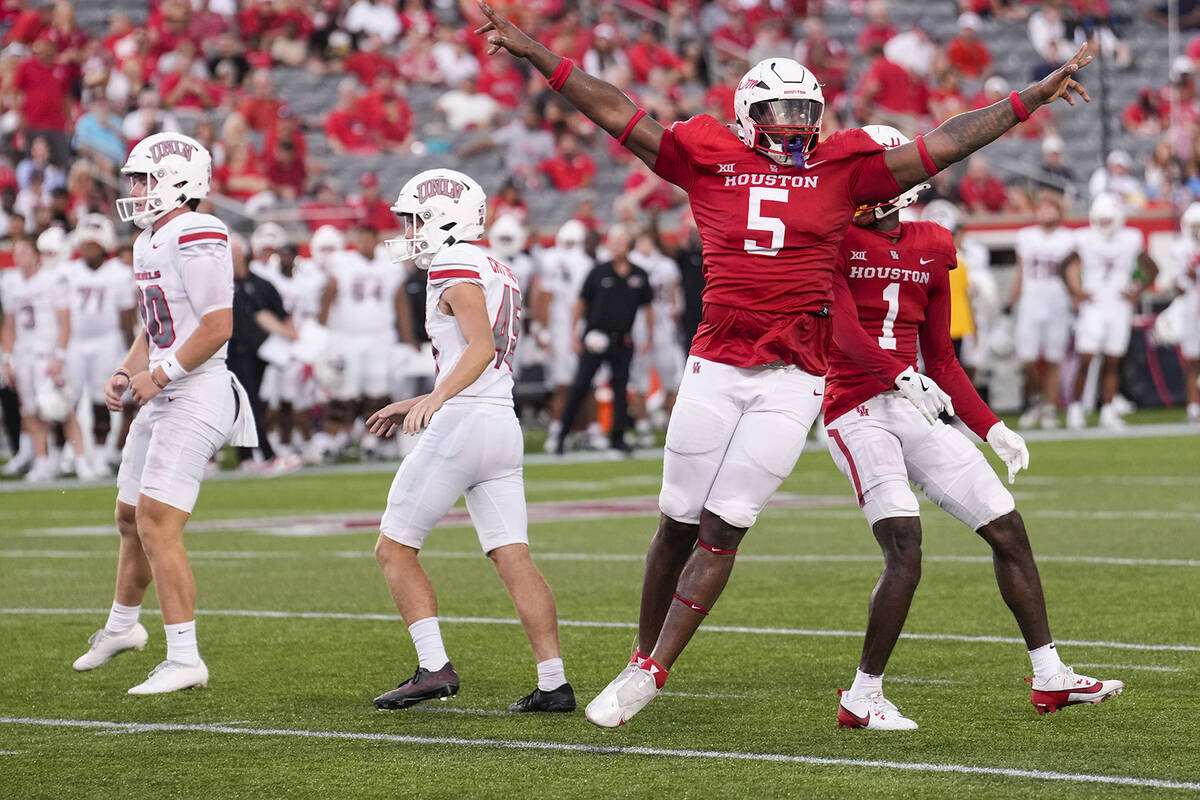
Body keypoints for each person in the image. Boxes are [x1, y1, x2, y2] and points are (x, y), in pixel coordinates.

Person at [476, 0, 1094, 727]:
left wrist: (1027, 100)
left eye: (806, 108)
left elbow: (943, 144)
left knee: (727, 523)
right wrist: (538, 55)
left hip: (795, 379)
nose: (796, 122)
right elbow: (618, 112)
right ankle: (641, 649)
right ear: (747, 113)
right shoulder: (707, 157)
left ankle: (652, 668)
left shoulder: (844, 171)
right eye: (780, 109)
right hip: (715, 366)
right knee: (677, 520)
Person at [823, 125, 1123, 730]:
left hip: (918, 404)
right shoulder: (830, 241)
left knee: (1008, 528)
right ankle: (862, 695)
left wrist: (991, 427)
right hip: (855, 407)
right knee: (905, 546)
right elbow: (844, 334)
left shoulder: (932, 243)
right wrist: (899, 378)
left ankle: (1050, 675)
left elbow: (943, 359)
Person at [367, 168, 573, 713]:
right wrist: (415, 400)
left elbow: (477, 348)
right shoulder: (495, 267)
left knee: (393, 548)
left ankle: (433, 667)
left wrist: (434, 401)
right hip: (499, 423)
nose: (409, 230)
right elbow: (478, 358)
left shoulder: (454, 262)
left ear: (442, 218)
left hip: (463, 422)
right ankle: (554, 682)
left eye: (415, 219)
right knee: (513, 555)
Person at [71, 132, 255, 694]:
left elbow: (217, 326)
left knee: (157, 522)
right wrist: (130, 369)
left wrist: (161, 374)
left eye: (144, 178)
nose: (134, 188)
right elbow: (155, 327)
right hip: (166, 389)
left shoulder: (198, 230)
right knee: (129, 518)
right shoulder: (150, 237)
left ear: (179, 180)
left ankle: (185, 658)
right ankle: (123, 628)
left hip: (197, 391)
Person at [554, 223, 653, 456]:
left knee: (621, 389)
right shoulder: (598, 271)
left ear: (628, 244)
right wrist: (574, 335)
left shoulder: (639, 273)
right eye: (614, 241)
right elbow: (581, 302)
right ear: (608, 244)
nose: (617, 246)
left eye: (621, 241)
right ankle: (561, 436)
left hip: (623, 340)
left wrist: (649, 334)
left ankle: (617, 438)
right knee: (580, 386)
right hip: (595, 338)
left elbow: (648, 307)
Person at [1063, 193, 1157, 430]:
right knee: (1086, 358)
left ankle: (1107, 409)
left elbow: (1153, 268)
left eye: (1108, 219)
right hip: (1093, 305)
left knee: (1113, 361)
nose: (1104, 224)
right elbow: (1063, 265)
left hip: (1118, 306)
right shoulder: (1084, 237)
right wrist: (1076, 291)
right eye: (1101, 219)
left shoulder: (1130, 238)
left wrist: (1136, 292)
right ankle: (1075, 409)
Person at [0, 236, 90, 482]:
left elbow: (65, 321)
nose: (18, 257)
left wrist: (59, 355)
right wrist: (7, 358)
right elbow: (8, 325)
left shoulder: (52, 280)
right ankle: (41, 462)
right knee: (30, 411)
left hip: (47, 353)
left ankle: (82, 460)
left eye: (23, 252)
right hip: (23, 353)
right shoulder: (10, 282)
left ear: (35, 255)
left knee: (61, 408)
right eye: (15, 253)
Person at [63, 214, 137, 476]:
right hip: (76, 342)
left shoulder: (119, 273)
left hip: (107, 341)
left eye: (93, 245)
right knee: (67, 399)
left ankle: (100, 452)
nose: (88, 249)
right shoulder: (69, 272)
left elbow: (126, 318)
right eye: (85, 245)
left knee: (101, 399)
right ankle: (73, 453)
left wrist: (131, 351)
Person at [229, 235, 301, 474]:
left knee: (251, 403)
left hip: (261, 354)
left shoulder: (261, 283)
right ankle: (267, 455)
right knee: (245, 403)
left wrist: (290, 334)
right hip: (231, 353)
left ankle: (247, 457)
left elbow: (278, 313)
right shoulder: (221, 286)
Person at [1009, 193, 1076, 429]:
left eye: (1050, 208)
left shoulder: (1069, 238)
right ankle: (1035, 401)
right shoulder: (1026, 236)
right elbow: (1020, 272)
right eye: (1042, 208)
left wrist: (1076, 299)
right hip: (1030, 303)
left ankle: (1048, 408)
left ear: (1059, 212)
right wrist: (1010, 300)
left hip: (1057, 304)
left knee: (1053, 359)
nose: (1045, 212)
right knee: (1027, 360)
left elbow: (1073, 275)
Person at [534, 219, 594, 451]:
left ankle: (587, 430)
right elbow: (544, 297)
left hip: (579, 329)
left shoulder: (589, 263)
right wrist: (543, 331)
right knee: (562, 384)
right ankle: (558, 430)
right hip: (560, 330)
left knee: (588, 383)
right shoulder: (553, 260)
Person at [1168, 203, 1200, 423]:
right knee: (1192, 359)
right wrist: (1189, 272)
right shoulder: (1179, 248)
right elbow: (1178, 288)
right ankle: (1193, 407)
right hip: (1191, 309)